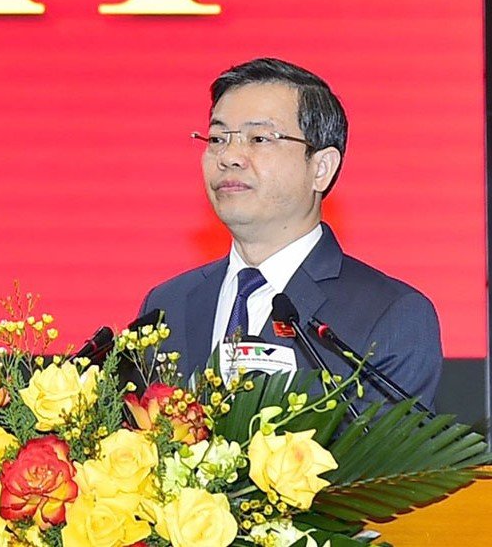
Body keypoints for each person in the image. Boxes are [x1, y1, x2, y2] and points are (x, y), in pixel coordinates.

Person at [139, 57, 442, 408]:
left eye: (259, 138)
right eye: (218, 138)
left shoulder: (391, 315)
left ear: (321, 168)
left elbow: (381, 444)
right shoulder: (166, 304)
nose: (229, 157)